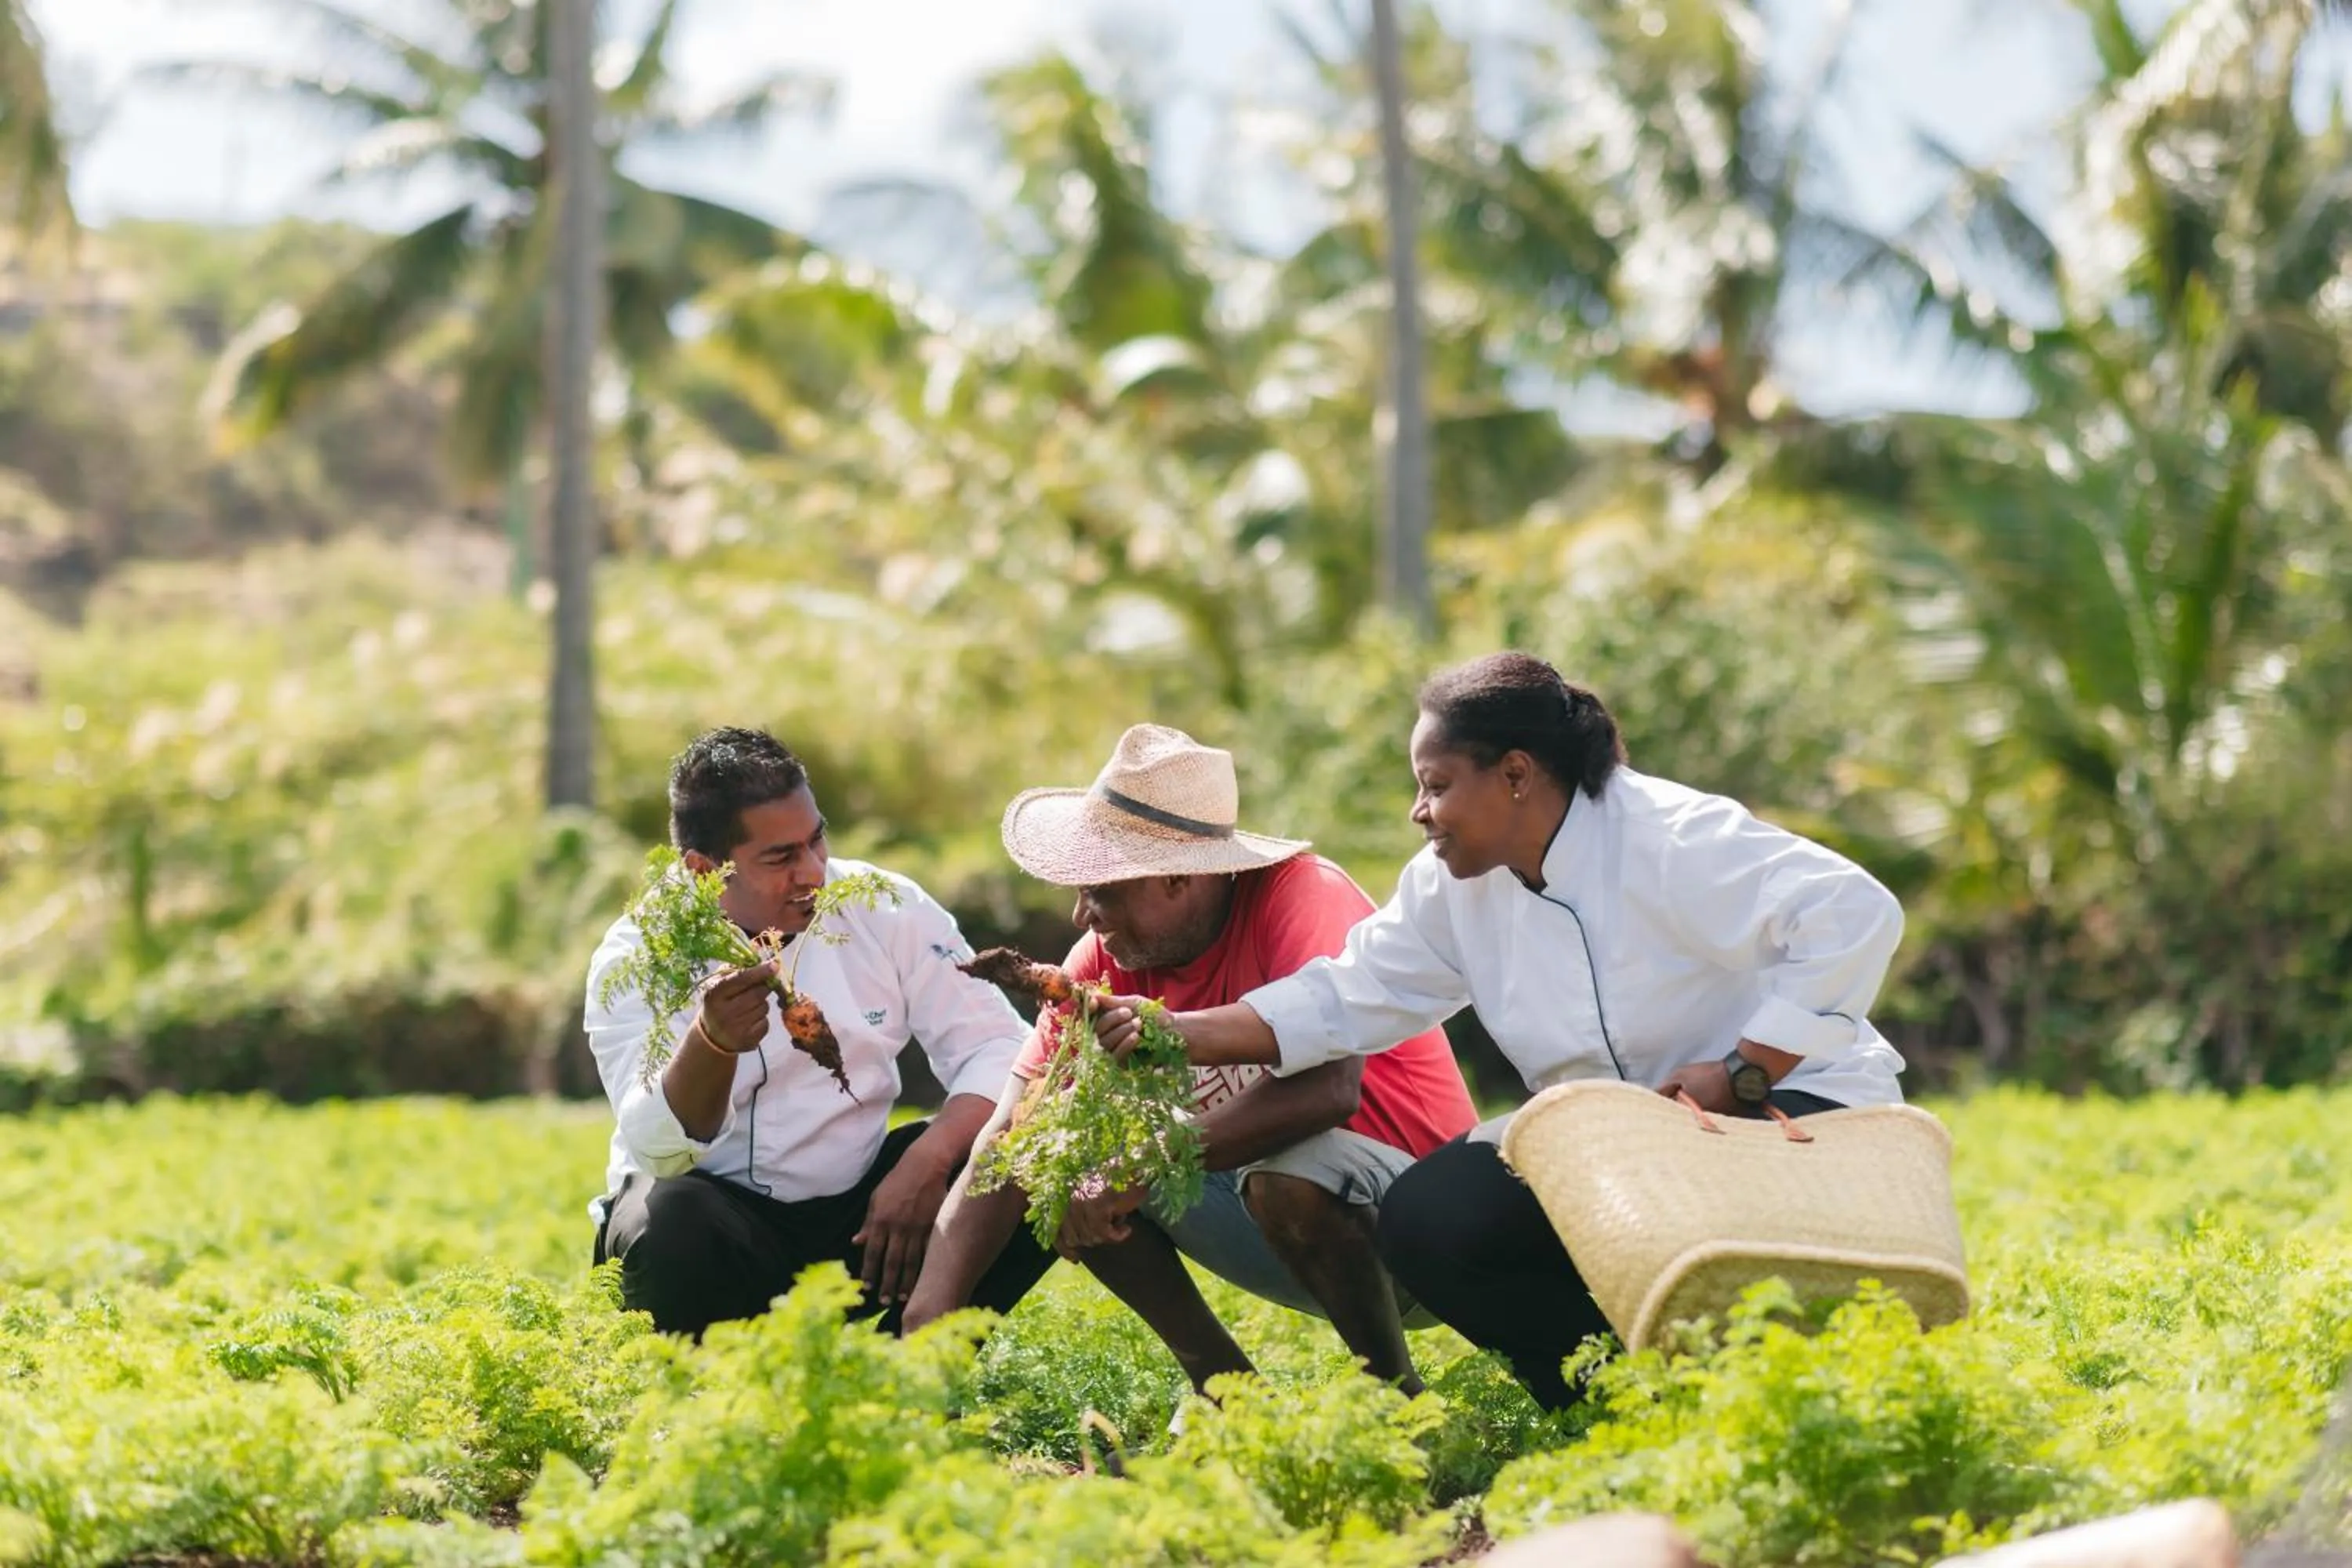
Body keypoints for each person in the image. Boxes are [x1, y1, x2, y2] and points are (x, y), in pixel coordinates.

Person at [1096, 655, 1908, 1409]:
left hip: (1780, 1108)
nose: (1421, 812)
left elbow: (1855, 912)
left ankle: (1750, 1382)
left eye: (1436, 784)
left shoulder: (1669, 835)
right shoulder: (1453, 887)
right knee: (1432, 1215)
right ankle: (1619, 1400)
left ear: (1516, 774)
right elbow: (1348, 992)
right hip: (1615, 1137)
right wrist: (1178, 1030)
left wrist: (1741, 1071)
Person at [902, 724, 1479, 1395]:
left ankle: (1397, 1408)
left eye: (1101, 889)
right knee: (1058, 1160)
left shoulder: (1300, 898)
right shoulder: (1106, 962)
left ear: (1177, 875)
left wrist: (1142, 1166)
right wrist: (928, 1318)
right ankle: (1229, 1396)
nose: (1081, 914)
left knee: (1291, 1170)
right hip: (1282, 1231)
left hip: (1423, 1234)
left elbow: (1329, 1091)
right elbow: (1008, 1135)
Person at [584, 726, 1053, 1338]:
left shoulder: (884, 905)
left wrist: (929, 1158)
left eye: (817, 840)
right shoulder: (641, 953)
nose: (812, 872)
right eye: (780, 857)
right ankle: (711, 1404)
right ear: (703, 870)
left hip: (864, 1222)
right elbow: (659, 1149)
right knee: (667, 1215)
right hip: (717, 1233)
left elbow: (999, 1047)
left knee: (1040, 1155)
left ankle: (909, 1374)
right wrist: (713, 1039)